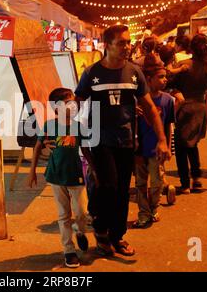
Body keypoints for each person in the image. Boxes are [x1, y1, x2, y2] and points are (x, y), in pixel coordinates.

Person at [74, 25, 170, 256]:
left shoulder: (134, 72)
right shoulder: (92, 73)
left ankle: (117, 236)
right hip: (100, 140)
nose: (127, 47)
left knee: (121, 191)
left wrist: (162, 140)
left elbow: (149, 107)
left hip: (126, 140)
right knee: (107, 186)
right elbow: (76, 101)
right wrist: (75, 131)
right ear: (107, 45)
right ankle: (100, 227)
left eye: (128, 42)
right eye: (121, 43)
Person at [26, 88, 95, 268]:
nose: (72, 106)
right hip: (56, 176)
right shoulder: (49, 126)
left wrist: (94, 169)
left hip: (76, 176)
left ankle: (79, 232)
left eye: (73, 102)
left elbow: (86, 149)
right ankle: (69, 251)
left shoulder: (79, 127)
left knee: (81, 213)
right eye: (67, 103)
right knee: (63, 215)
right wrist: (32, 171)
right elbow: (38, 147)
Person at [171, 34, 207, 193]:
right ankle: (196, 179)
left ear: (191, 48)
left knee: (181, 147)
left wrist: (176, 91)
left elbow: (168, 82)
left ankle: (185, 184)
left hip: (184, 108)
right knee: (192, 144)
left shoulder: (184, 65)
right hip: (200, 108)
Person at [133, 54, 176, 228]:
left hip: (156, 149)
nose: (165, 80)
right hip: (138, 148)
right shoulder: (136, 100)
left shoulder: (167, 100)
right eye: (161, 77)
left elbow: (168, 126)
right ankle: (143, 213)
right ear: (148, 79)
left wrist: (168, 147)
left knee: (157, 182)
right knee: (140, 183)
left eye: (166, 76)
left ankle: (153, 208)